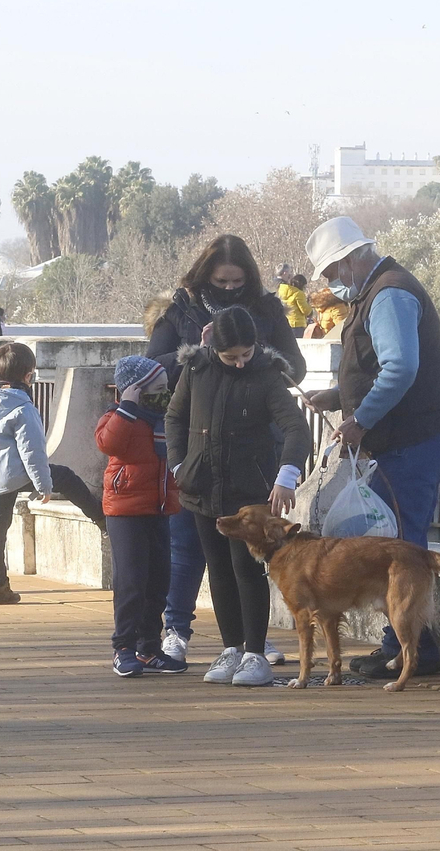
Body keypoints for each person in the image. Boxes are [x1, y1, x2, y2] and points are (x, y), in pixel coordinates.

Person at [300, 216, 440, 680]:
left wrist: (359, 420)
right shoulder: (380, 289)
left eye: (331, 273)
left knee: (399, 545)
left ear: (350, 261)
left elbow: (399, 369)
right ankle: (411, 644)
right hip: (410, 434)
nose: (330, 284)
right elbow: (382, 369)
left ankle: (410, 648)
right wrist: (340, 397)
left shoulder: (388, 293)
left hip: (412, 437)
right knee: (397, 538)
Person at [145, 233, 306, 663]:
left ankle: (251, 640)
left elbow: (296, 372)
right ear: (205, 275)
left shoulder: (269, 308)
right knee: (191, 551)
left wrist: (257, 357)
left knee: (246, 562)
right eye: (222, 281)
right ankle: (177, 628)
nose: (230, 287)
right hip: (199, 455)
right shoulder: (179, 308)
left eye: (238, 282)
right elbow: (154, 370)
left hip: (252, 454)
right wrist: (198, 355)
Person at [166, 306, 311, 687]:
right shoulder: (196, 368)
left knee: (246, 569)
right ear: (214, 346)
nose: (241, 363)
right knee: (218, 568)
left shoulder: (266, 374)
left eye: (247, 354)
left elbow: (296, 427)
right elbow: (175, 417)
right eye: (232, 356)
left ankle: (254, 653)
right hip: (201, 485)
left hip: (248, 489)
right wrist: (179, 465)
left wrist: (287, 475)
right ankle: (231, 648)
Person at [96, 356, 185, 677]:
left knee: (159, 579)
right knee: (131, 581)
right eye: (158, 390)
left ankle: (149, 647)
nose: (165, 395)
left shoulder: (166, 418)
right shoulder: (117, 416)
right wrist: (127, 408)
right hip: (125, 510)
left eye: (167, 389)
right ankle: (124, 647)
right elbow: (109, 444)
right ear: (135, 390)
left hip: (160, 508)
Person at [0, 342, 51, 606]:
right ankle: (100, 518)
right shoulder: (23, 408)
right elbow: (33, 451)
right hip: (17, 474)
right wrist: (43, 485)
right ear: (28, 377)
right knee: (68, 478)